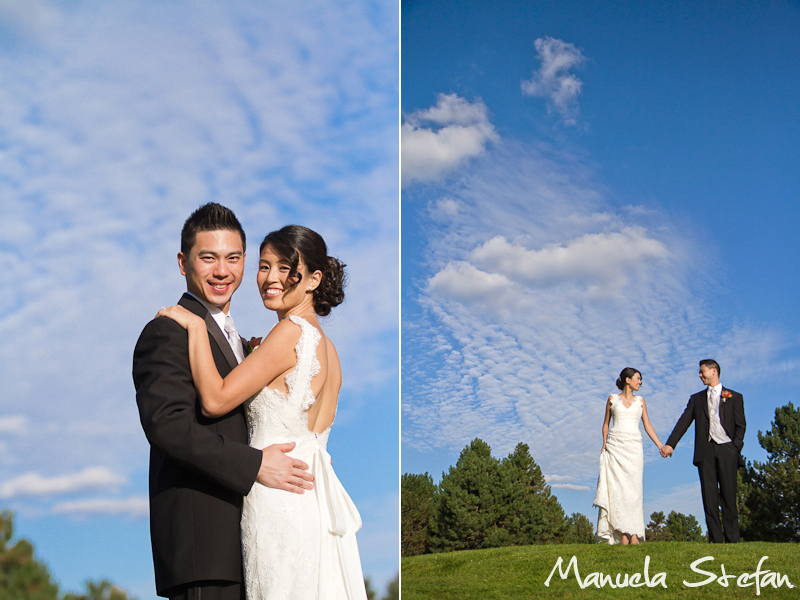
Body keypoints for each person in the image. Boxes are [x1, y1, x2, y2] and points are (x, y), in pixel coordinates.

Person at [157, 224, 367, 600]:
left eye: (286, 268)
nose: (271, 278)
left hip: (275, 497)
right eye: (264, 265)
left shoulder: (288, 334)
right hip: (310, 500)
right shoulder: (330, 351)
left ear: (314, 279)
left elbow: (216, 400)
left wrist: (194, 327)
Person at [133, 204, 313, 600]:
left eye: (232, 258)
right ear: (183, 262)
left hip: (255, 541)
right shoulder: (167, 331)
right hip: (205, 550)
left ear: (245, 262)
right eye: (207, 258)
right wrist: (255, 464)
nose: (221, 271)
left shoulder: (243, 344)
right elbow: (168, 426)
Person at [660, 359, 745, 543]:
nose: (700, 375)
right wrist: (670, 444)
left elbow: (741, 426)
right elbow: (684, 421)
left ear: (714, 371)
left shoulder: (735, 397)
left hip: (727, 450)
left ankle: (732, 540)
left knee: (729, 496)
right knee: (709, 498)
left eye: (702, 371)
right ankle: (716, 540)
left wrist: (735, 447)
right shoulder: (696, 399)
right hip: (705, 452)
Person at [593, 368, 664, 545]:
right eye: (638, 379)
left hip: (634, 449)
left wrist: (661, 446)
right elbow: (605, 424)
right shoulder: (612, 399)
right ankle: (622, 533)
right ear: (627, 380)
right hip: (615, 447)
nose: (640, 382)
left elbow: (647, 425)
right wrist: (604, 443)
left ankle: (634, 533)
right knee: (618, 491)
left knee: (634, 491)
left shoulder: (641, 401)